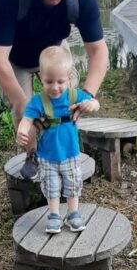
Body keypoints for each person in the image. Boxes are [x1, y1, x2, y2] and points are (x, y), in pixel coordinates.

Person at [0, 0, 108, 177]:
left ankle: (62, 153)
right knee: (24, 113)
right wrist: (26, 105)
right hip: (15, 59)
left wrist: (87, 95)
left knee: (65, 103)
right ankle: (32, 155)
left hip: (54, 52)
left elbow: (99, 52)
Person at [16, 45, 99, 233]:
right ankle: (54, 216)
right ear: (41, 78)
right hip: (47, 155)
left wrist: (91, 104)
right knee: (51, 186)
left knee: (72, 184)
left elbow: (95, 103)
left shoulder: (73, 95)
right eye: (49, 81)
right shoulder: (38, 101)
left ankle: (73, 214)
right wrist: (22, 130)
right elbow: (27, 118)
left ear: (69, 78)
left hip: (70, 152)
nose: (55, 87)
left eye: (60, 81)